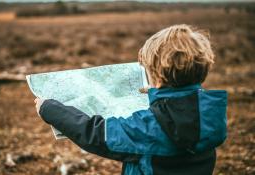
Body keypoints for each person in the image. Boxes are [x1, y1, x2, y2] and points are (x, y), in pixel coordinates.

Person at [34, 24, 227, 175]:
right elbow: (181, 110)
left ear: (157, 77)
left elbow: (97, 134)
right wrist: (157, 97)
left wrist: (49, 108)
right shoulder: (211, 114)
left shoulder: (148, 128)